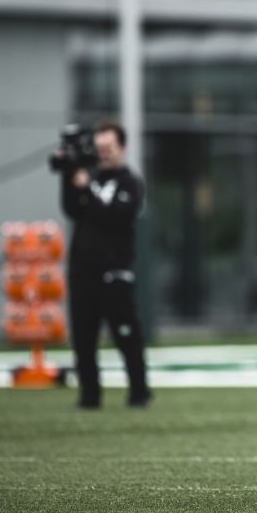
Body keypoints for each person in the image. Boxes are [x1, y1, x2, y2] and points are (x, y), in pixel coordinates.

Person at [59, 119, 152, 409]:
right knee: (84, 339)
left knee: (126, 334)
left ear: (121, 147)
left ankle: (139, 391)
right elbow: (72, 209)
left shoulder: (130, 182)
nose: (103, 153)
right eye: (99, 148)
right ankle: (89, 395)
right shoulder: (89, 177)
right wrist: (68, 174)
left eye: (109, 147)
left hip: (114, 271)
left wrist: (88, 190)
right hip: (83, 271)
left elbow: (116, 216)